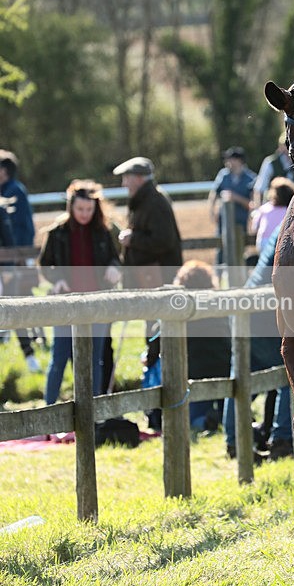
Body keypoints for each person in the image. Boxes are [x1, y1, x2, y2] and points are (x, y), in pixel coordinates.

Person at [39, 180, 122, 404]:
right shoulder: (57, 233)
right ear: (71, 207)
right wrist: (57, 280)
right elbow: (45, 264)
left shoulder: (104, 231)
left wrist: (115, 267)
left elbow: (116, 257)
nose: (84, 214)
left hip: (97, 303)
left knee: (94, 360)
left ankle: (91, 413)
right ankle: (48, 412)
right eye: (80, 209)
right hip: (66, 303)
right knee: (60, 358)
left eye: (89, 209)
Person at [223, 224, 293, 461]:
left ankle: (234, 442)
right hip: (267, 314)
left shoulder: (282, 228)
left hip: (248, 309)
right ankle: (282, 440)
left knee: (240, 379)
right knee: (292, 375)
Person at [142, 260, 232, 432]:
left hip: (192, 374)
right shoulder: (219, 307)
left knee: (192, 418)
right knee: (225, 409)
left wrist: (149, 357)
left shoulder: (179, 308)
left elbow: (156, 337)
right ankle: (220, 416)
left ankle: (204, 421)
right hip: (223, 368)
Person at [113, 156, 183, 364]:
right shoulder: (145, 200)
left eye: (126, 178)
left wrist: (132, 238)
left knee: (159, 321)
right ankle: (154, 359)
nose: (124, 183)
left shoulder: (154, 202)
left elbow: (163, 240)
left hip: (159, 276)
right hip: (152, 275)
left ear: (138, 178)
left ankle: (156, 361)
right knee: (153, 319)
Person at [0, 149, 40, 372]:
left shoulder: (14, 192)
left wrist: (19, 259)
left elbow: (19, 231)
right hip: (11, 261)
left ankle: (30, 355)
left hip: (12, 261)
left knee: (17, 305)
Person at [208, 147, 256, 265]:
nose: (227, 162)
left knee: (240, 250)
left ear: (238, 160)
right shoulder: (223, 175)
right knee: (220, 250)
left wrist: (235, 197)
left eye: (230, 159)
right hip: (223, 220)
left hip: (241, 221)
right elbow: (214, 193)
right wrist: (212, 211)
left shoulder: (251, 178)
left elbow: (252, 204)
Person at [249, 176, 294, 252]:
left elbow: (254, 228)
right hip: (282, 242)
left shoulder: (264, 209)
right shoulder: (289, 211)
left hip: (263, 242)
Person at [253, 134, 294, 207]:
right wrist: (258, 210)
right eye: (286, 144)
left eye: (291, 144)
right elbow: (259, 189)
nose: (289, 148)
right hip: (273, 207)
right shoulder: (270, 163)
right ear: (280, 147)